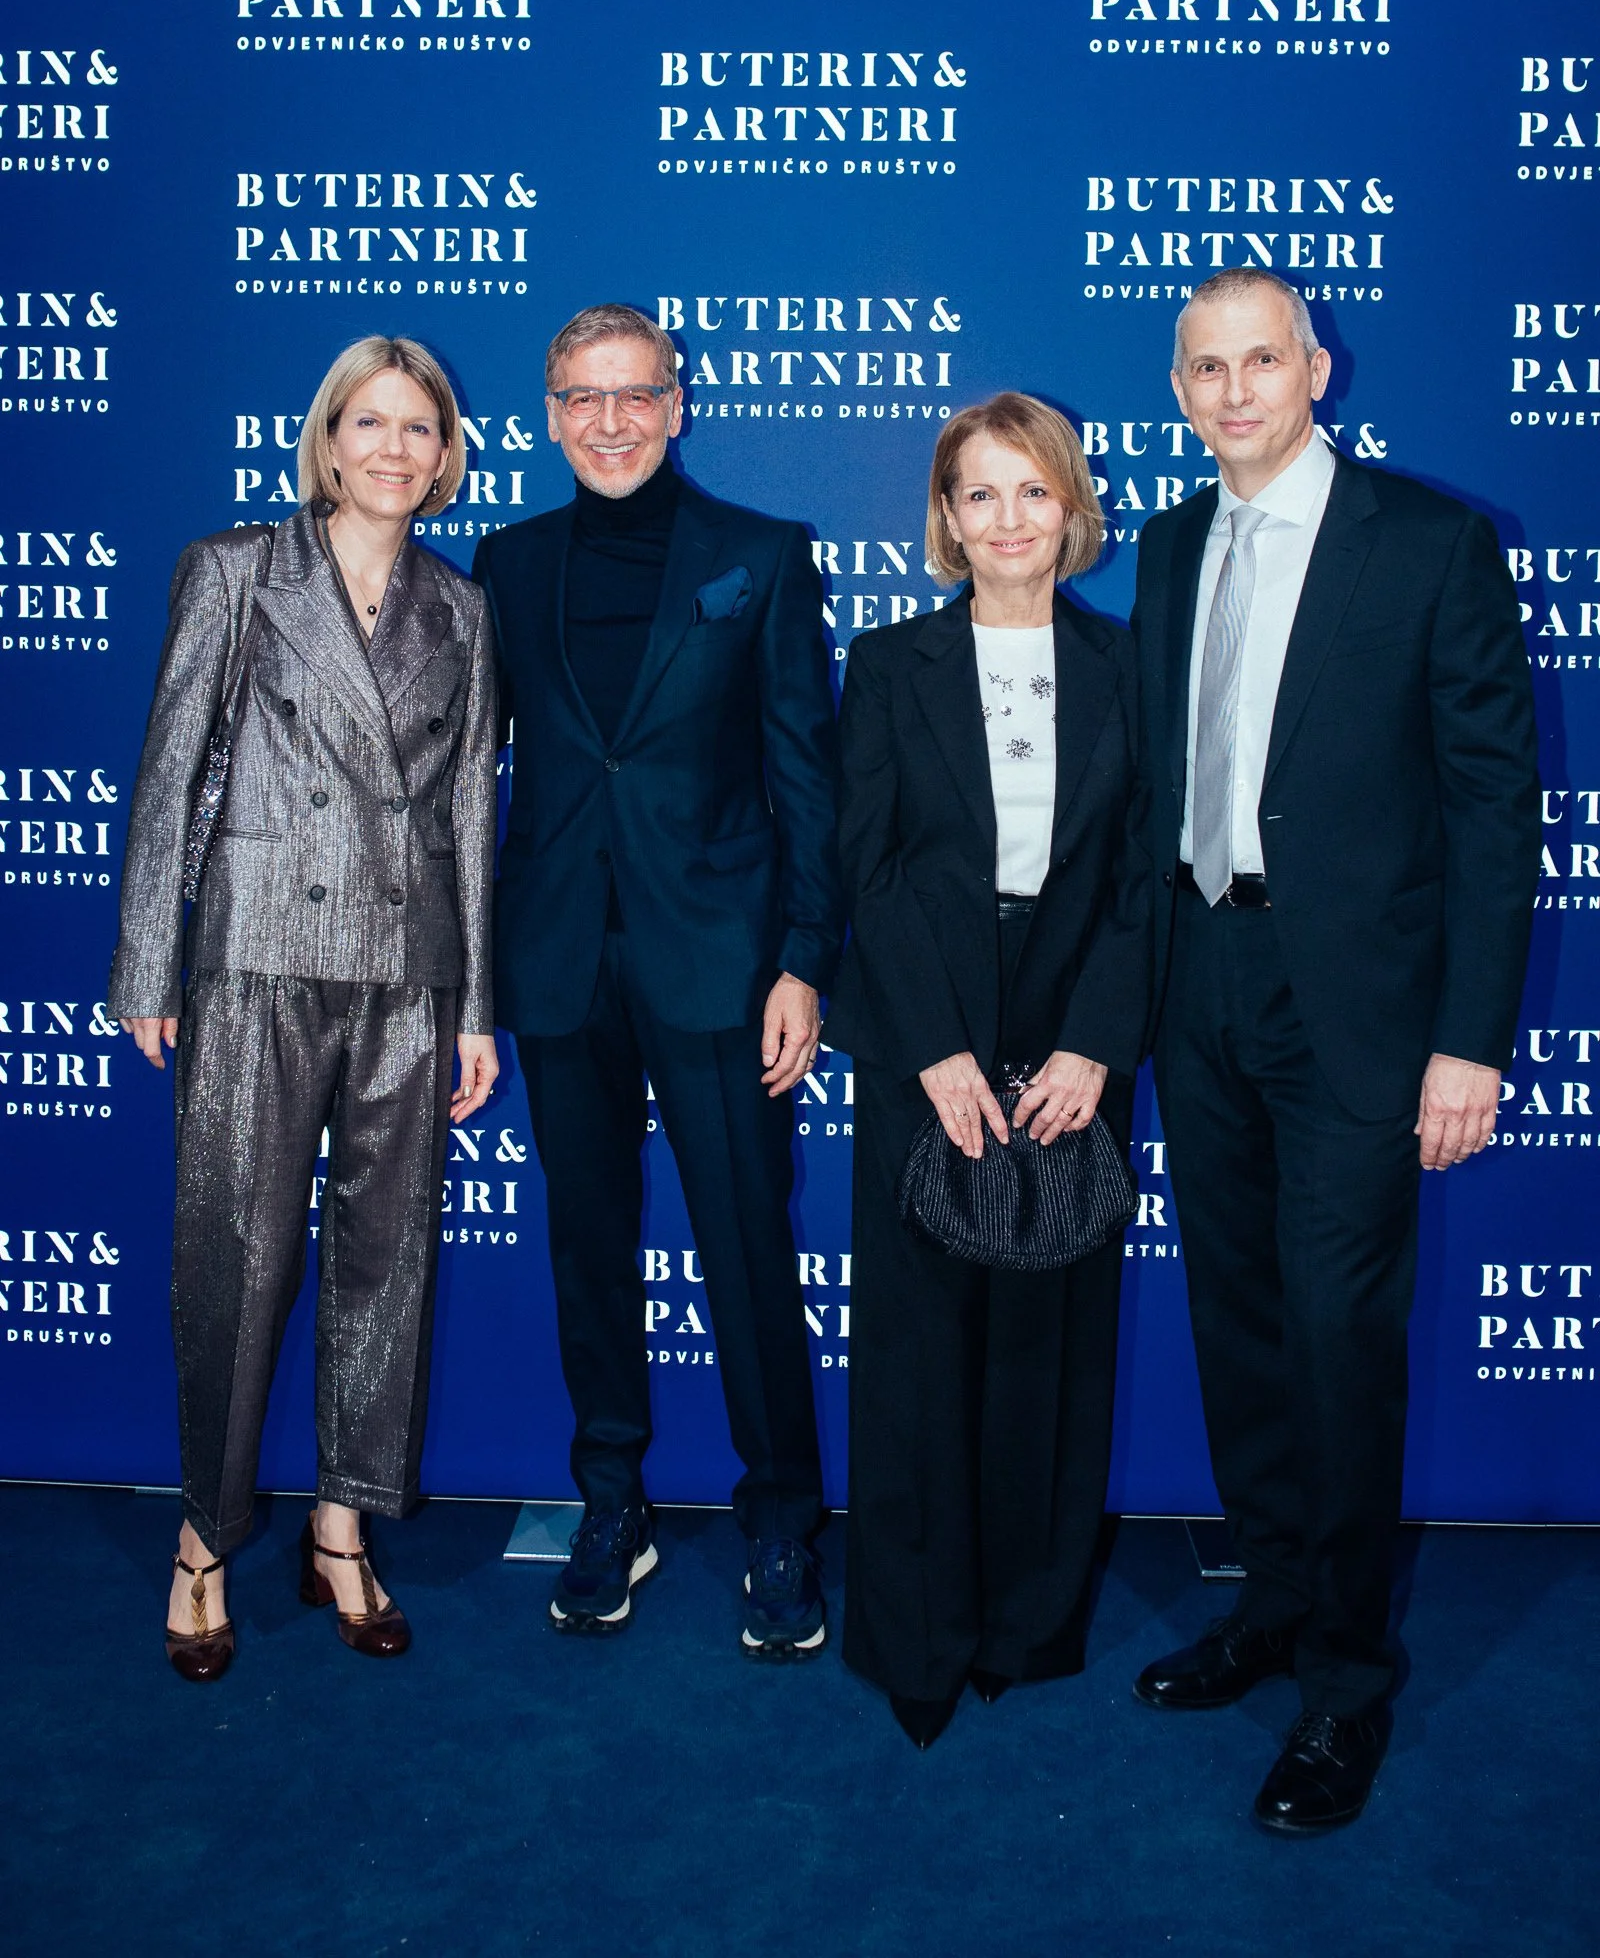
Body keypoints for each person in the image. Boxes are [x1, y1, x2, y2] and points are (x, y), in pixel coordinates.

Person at [1130, 269, 1540, 1831]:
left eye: (1262, 360)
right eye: (1207, 368)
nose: (1235, 391)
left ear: (1319, 367)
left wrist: (1468, 1044)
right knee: (1238, 1323)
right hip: (1200, 980)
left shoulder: (1429, 543)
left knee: (1337, 1341)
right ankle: (1277, 1602)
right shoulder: (1172, 546)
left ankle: (1348, 1685)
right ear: (1180, 389)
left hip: (1359, 1014)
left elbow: (1494, 812)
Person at [109, 336, 499, 1681]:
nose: (394, 448)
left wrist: (475, 1004)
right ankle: (205, 1537)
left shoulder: (461, 607)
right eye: (368, 423)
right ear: (328, 442)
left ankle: (343, 1524)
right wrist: (147, 965)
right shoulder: (236, 571)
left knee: (388, 1262)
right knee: (235, 1253)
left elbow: (468, 813)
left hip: (408, 967)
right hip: (258, 955)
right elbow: (170, 772)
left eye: (419, 428)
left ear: (445, 457)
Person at [472, 305, 843, 1657]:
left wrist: (805, 958)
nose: (611, 422)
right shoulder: (507, 564)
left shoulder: (760, 555)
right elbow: (475, 775)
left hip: (720, 963)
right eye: (583, 397)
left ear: (679, 406)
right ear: (550, 414)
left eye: (636, 395)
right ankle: (611, 1501)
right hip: (561, 958)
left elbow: (807, 773)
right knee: (588, 1247)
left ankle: (781, 1516)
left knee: (746, 1249)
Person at [826, 394, 1150, 1749]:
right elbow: (869, 866)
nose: (1008, 519)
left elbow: (1146, 874)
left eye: (1033, 491)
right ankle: (917, 1637)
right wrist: (935, 1050)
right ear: (947, 519)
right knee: (917, 1344)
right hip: (925, 1029)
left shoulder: (1131, 665)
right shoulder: (888, 663)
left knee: (1048, 1343)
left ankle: (1028, 1625)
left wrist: (1094, 1040)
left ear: (1070, 509)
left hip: (1076, 1026)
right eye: (980, 494)